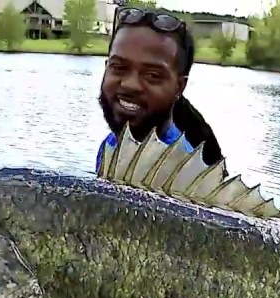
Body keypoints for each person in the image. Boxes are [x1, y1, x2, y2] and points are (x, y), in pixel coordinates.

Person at [96, 6, 224, 176]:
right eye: (119, 67)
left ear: (179, 86)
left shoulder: (186, 173)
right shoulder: (110, 146)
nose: (130, 84)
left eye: (152, 75)